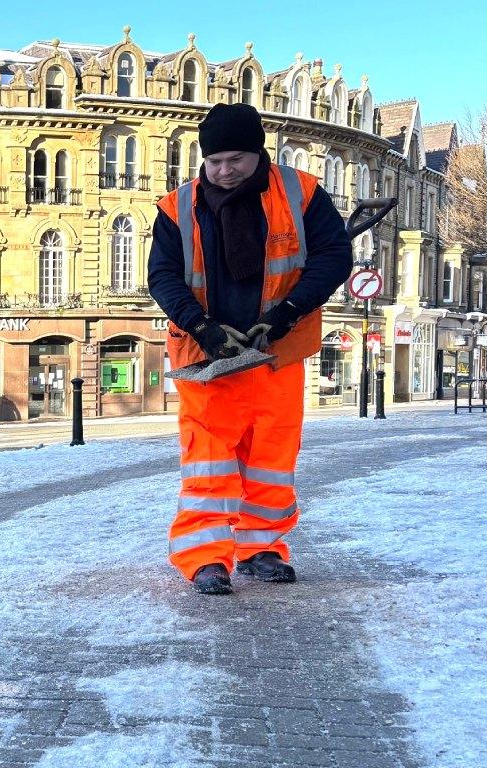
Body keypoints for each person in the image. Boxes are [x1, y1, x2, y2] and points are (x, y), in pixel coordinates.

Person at [147, 103, 350, 595]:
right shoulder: (178, 207)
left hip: (276, 352)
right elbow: (163, 277)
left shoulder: (301, 193)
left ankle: (262, 548)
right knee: (209, 458)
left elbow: (334, 256)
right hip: (206, 358)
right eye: (214, 160)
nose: (224, 170)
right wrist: (201, 326)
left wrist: (287, 312)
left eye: (235, 157)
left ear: (259, 151)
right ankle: (204, 557)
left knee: (271, 456)